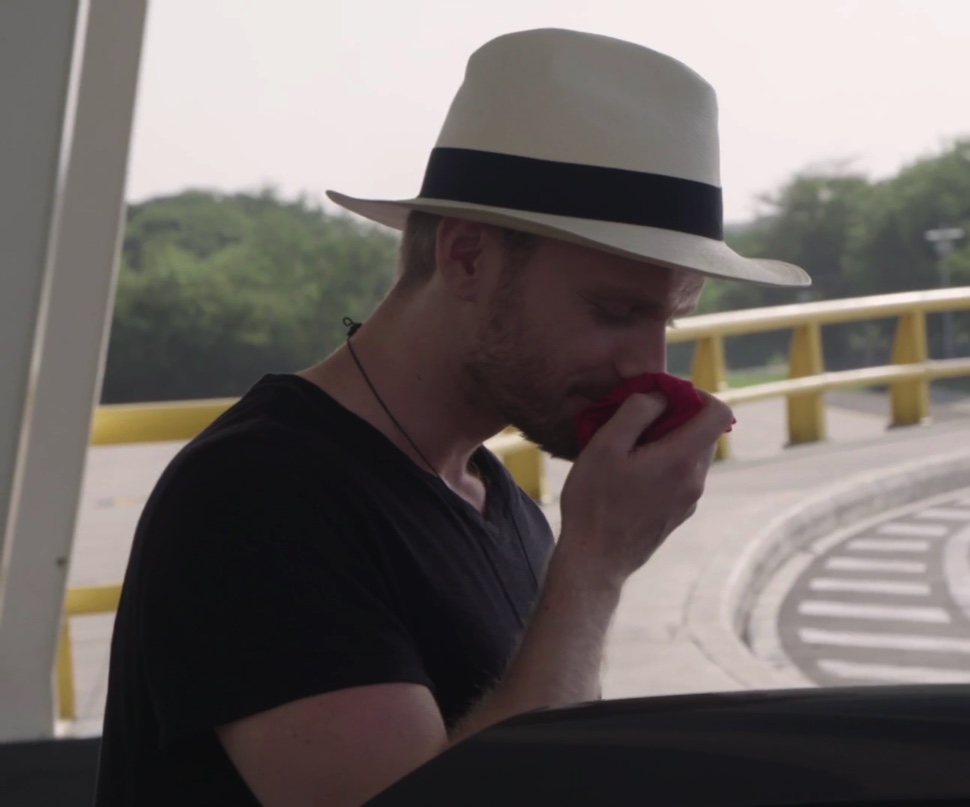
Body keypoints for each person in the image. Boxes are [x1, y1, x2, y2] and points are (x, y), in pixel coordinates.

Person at [95, 28, 811, 807]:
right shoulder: (257, 494)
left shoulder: (496, 499)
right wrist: (595, 566)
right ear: (466, 258)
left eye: (666, 319)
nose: (649, 364)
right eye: (613, 310)